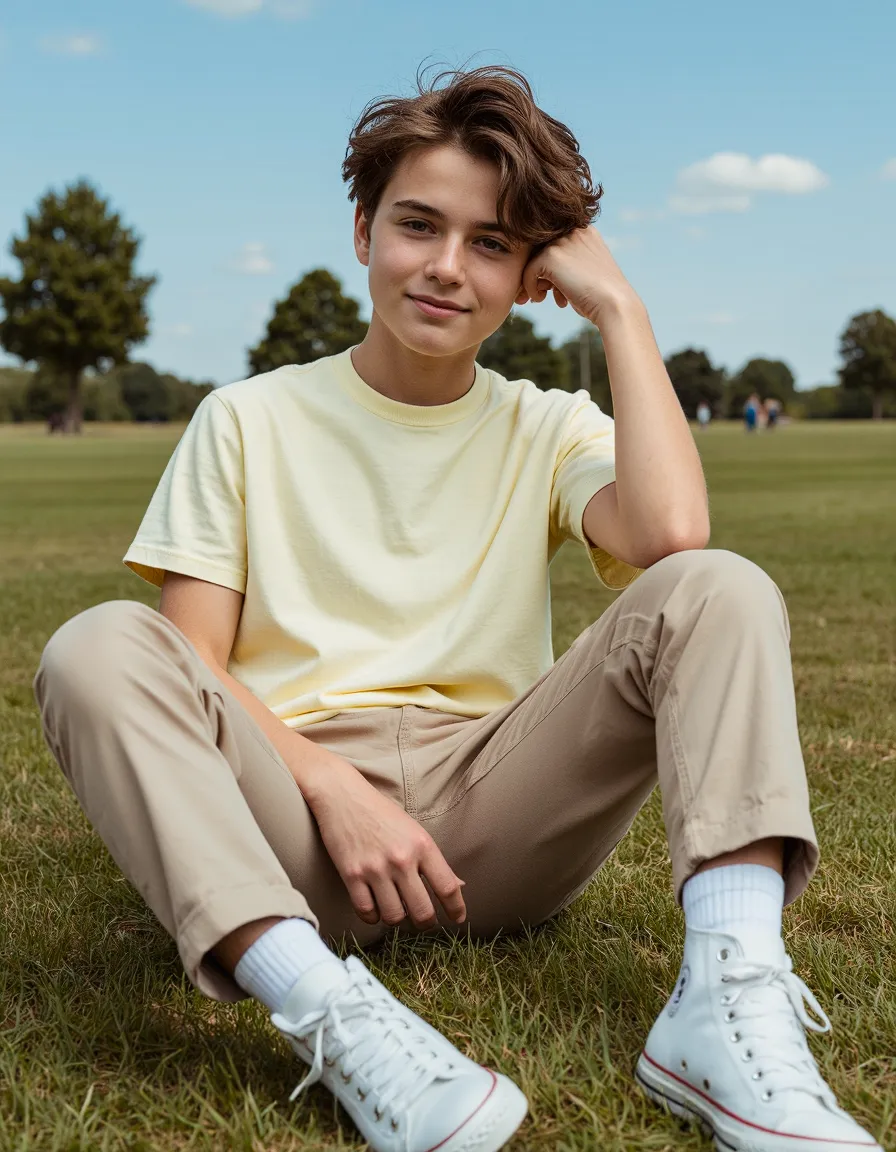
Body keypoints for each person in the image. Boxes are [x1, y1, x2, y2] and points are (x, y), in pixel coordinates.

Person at [32, 64, 882, 1152]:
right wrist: (331, 786)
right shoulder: (246, 419)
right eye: (416, 226)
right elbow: (190, 670)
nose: (444, 268)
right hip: (294, 839)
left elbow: (670, 541)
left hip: (492, 832)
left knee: (718, 587)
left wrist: (619, 306)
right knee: (99, 643)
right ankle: (327, 1012)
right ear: (361, 231)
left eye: (489, 243)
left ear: (532, 277)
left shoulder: (545, 423)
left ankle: (725, 1001)